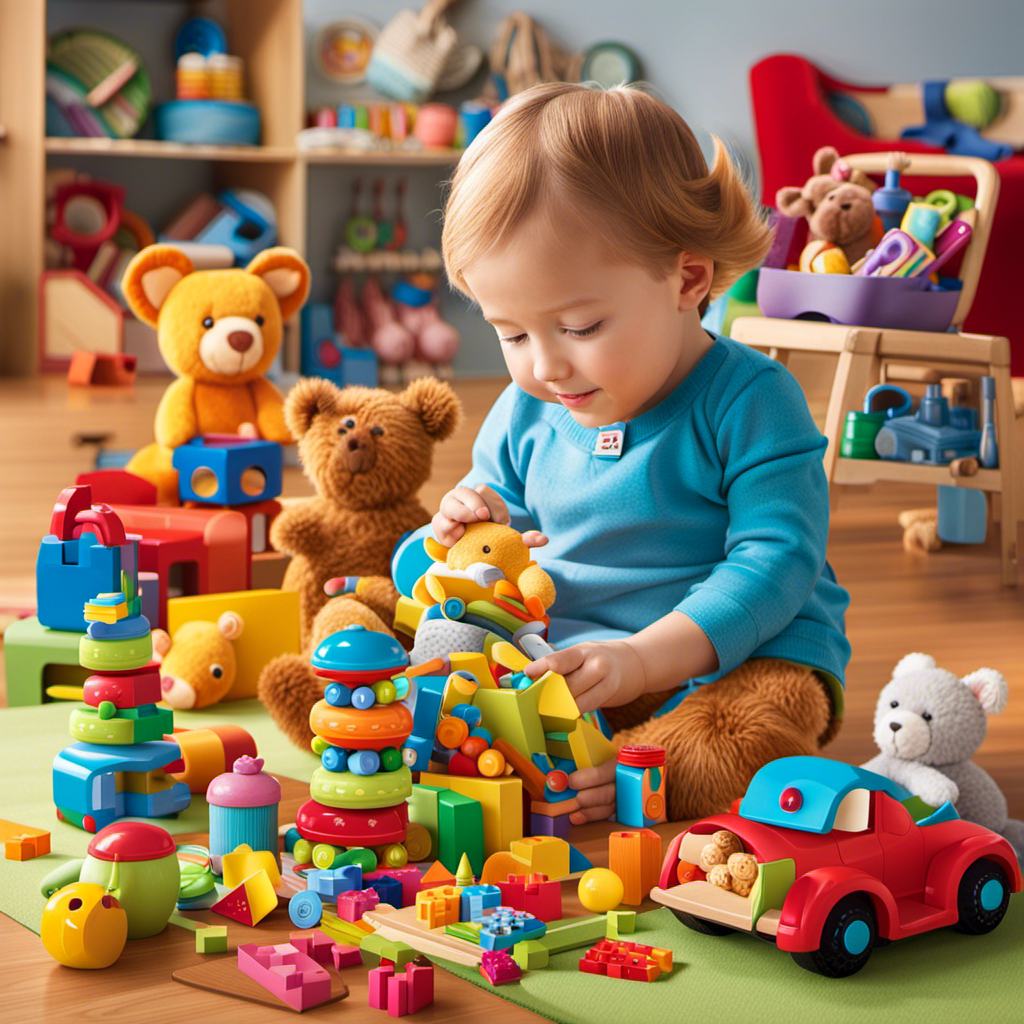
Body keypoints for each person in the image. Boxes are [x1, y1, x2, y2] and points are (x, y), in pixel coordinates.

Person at [433, 81, 851, 823]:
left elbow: (776, 562)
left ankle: (650, 774)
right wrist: (469, 526)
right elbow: (507, 532)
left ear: (686, 280)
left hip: (737, 653)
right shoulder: (528, 406)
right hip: (579, 658)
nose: (545, 366)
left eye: (581, 326)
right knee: (389, 634)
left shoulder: (753, 399)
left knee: (747, 732)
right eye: (512, 333)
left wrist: (645, 660)